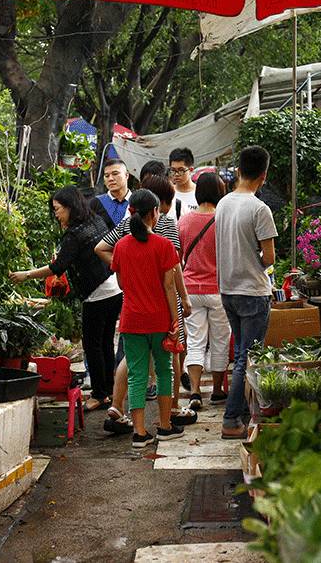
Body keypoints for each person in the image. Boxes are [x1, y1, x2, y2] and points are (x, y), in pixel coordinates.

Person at [95, 175, 197, 433]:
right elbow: (171, 278)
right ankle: (168, 418)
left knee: (135, 369)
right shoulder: (164, 236)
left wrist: (131, 275)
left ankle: (135, 428)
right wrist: (179, 309)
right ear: (157, 208)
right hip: (161, 312)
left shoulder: (122, 242)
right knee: (167, 368)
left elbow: (115, 271)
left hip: (131, 314)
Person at [9, 186, 121, 411]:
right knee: (106, 343)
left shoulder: (75, 235)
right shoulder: (96, 220)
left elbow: (57, 266)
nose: (56, 214)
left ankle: (99, 394)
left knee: (93, 345)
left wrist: (26, 275)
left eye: (57, 209)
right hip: (115, 288)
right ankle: (108, 390)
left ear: (70, 207)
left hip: (97, 294)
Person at [110, 189, 185, 448]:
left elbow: (122, 283)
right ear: (154, 213)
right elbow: (169, 287)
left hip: (131, 320)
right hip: (159, 319)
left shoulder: (120, 246)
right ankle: (165, 426)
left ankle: (139, 432)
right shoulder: (164, 246)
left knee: (137, 375)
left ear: (131, 212)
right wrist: (175, 321)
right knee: (165, 371)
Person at [215, 146, 277, 440]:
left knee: (240, 354)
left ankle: (239, 414)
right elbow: (270, 258)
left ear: (238, 170)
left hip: (228, 290)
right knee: (245, 358)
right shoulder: (259, 209)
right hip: (253, 291)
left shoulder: (223, 203)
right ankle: (230, 420)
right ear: (263, 176)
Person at [178, 172, 230, 410]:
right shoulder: (224, 221)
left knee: (196, 341)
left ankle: (195, 392)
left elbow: (178, 259)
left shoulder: (184, 221)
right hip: (219, 290)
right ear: (220, 193)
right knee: (220, 340)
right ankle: (218, 391)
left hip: (191, 290)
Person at [94, 159, 131, 229]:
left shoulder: (138, 201)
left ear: (127, 175)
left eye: (115, 174)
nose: (110, 179)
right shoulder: (96, 203)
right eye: (107, 176)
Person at [169, 148, 198, 219]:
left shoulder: (200, 193)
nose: (176, 174)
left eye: (181, 170)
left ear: (191, 170)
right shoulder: (168, 193)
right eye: (173, 170)